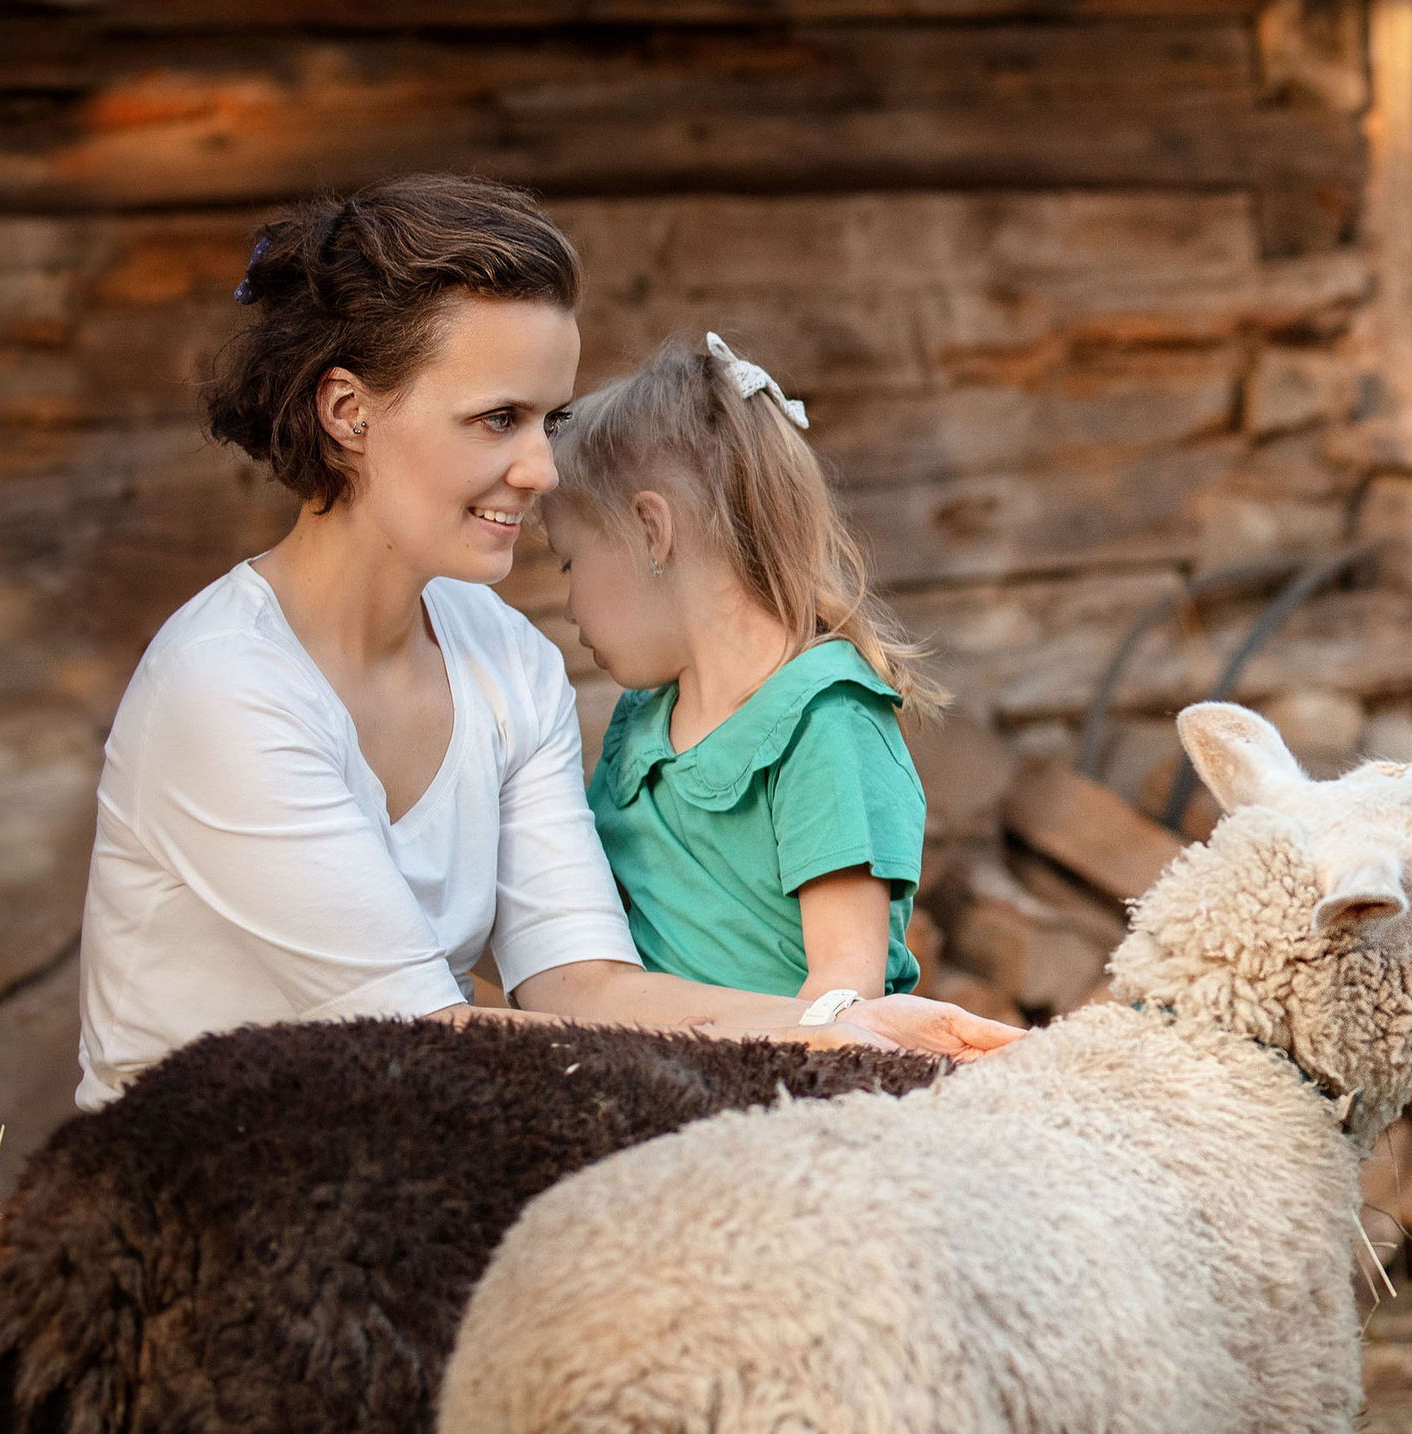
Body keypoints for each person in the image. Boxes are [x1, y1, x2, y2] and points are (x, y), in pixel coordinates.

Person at [75, 174, 1019, 1109]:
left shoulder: (508, 660)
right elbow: (415, 1035)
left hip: (405, 1132)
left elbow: (579, 987)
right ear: (348, 412)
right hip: (206, 1166)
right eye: (497, 418)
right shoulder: (230, 687)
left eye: (547, 419)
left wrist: (839, 1031)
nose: (540, 469)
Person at [543, 331, 936, 1004]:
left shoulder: (825, 723)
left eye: (569, 562)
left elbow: (847, 986)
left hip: (789, 1085)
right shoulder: (641, 726)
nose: (570, 603)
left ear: (650, 531)